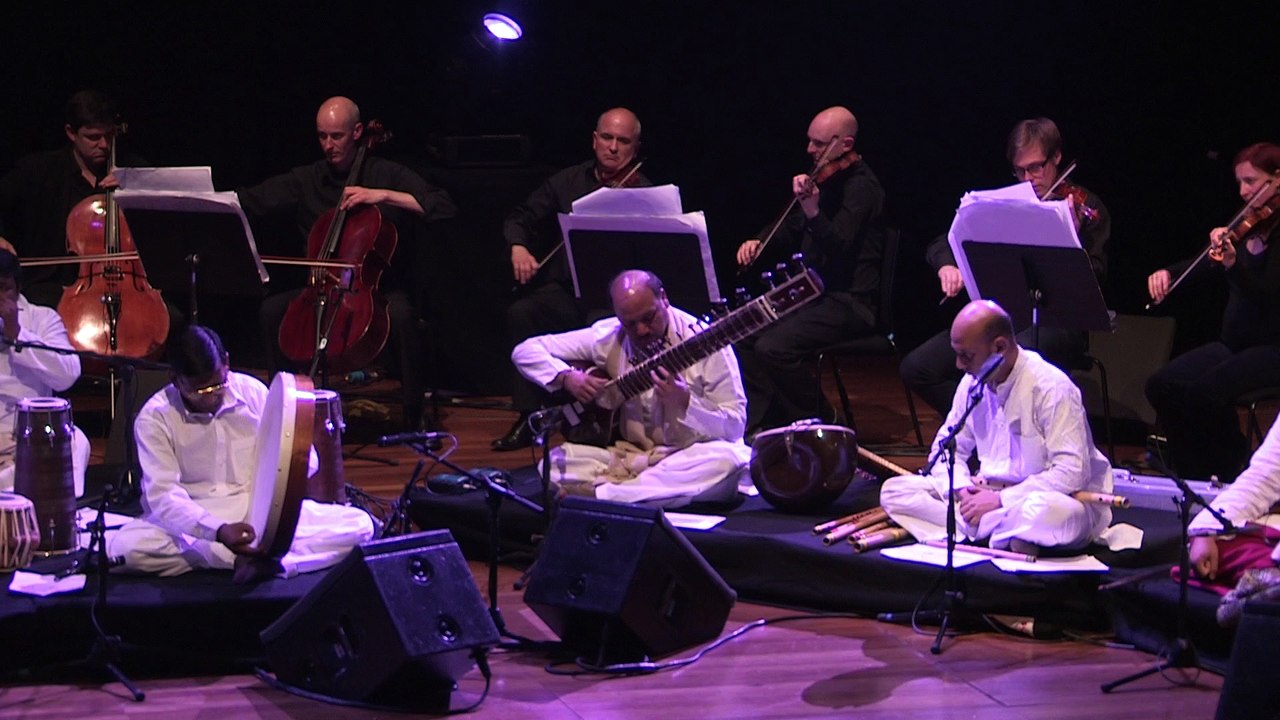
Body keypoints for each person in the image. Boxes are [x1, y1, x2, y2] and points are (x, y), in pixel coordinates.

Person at [237, 96, 457, 430]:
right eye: (322, 136)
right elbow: (252, 199)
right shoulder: (307, 179)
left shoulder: (386, 173)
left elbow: (442, 206)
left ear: (357, 132)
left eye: (336, 136)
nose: (328, 145)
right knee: (271, 312)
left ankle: (414, 415)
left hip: (375, 290)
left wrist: (382, 194)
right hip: (320, 290)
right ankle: (286, 411)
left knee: (401, 317)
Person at [108, 325, 374, 578]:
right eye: (200, 391)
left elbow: (307, 459)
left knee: (360, 525)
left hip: (257, 511)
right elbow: (163, 497)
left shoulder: (253, 392)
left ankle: (277, 565)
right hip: (196, 518)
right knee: (126, 550)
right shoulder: (154, 418)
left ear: (226, 362)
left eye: (218, 385)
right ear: (176, 380)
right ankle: (243, 559)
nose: (211, 397)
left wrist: (278, 497)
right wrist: (218, 531)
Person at [900, 117, 1111, 416]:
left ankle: (1002, 431)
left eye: (1036, 167)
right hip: (1003, 319)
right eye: (1020, 170)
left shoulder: (1086, 207)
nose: (1028, 179)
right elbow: (944, 240)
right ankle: (983, 425)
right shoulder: (1007, 203)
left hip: (1060, 324)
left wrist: (1071, 238)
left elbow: (1096, 275)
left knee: (1004, 356)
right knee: (917, 368)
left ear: (1056, 157)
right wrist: (947, 265)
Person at [880, 300, 1113, 554]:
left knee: (1055, 515)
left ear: (999, 347)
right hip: (983, 496)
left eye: (966, 356)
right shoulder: (971, 383)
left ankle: (975, 529)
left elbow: (1071, 472)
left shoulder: (1052, 387)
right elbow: (945, 448)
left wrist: (1001, 500)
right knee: (895, 491)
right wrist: (963, 490)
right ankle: (1005, 535)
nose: (958, 365)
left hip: (1038, 500)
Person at [511, 269, 751, 508]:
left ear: (664, 298)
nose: (641, 331)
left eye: (648, 318)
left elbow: (735, 426)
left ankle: (601, 496)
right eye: (630, 323)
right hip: (629, 457)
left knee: (727, 462)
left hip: (687, 457)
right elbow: (526, 350)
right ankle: (643, 494)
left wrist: (686, 403)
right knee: (553, 464)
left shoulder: (706, 342)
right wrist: (567, 378)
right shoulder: (608, 336)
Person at [493, 107, 650, 452]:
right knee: (523, 313)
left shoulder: (645, 193)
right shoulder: (568, 181)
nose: (613, 147)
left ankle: (603, 421)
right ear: (594, 140)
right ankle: (530, 416)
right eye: (606, 138)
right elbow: (521, 216)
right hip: (568, 291)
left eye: (623, 141)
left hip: (614, 303)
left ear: (635, 148)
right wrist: (518, 247)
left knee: (613, 331)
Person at [733, 105, 886, 433]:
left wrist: (814, 210)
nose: (810, 149)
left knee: (774, 348)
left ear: (845, 144)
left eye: (819, 143)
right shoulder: (826, 179)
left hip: (849, 301)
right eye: (810, 140)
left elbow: (839, 246)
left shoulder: (862, 188)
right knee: (744, 334)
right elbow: (792, 224)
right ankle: (764, 425)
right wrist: (759, 240)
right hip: (815, 293)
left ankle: (827, 425)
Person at [1145, 142, 1280, 483]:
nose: (1243, 191)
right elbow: (1205, 264)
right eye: (1240, 182)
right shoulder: (1248, 225)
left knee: (1203, 394)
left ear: (1277, 179)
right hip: (1234, 344)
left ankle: (1235, 468)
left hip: (1272, 347)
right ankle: (1192, 474)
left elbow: (1268, 296)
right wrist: (1170, 274)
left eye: (1251, 181)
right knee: (1161, 385)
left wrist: (1234, 266)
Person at [0, 90, 145, 308]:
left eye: (109, 135)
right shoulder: (38, 171)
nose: (104, 145)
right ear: (71, 133)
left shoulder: (131, 171)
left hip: (123, 285)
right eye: (93, 137)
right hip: (51, 286)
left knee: (173, 318)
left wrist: (135, 188)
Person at [0, 248, 90, 497]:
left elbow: (68, 374)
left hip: (30, 436)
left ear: (18, 289)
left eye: (4, 288)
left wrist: (17, 334)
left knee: (76, 441)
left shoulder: (42, 319)